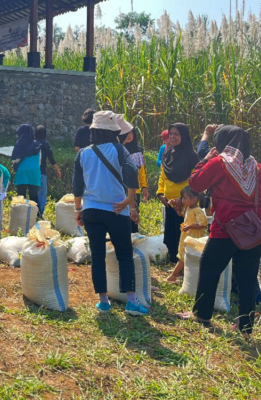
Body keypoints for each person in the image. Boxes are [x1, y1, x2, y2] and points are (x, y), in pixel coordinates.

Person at [178, 125, 261, 336]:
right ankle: (245, 327)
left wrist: (204, 160)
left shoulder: (220, 163)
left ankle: (202, 314)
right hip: (257, 229)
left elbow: (196, 182)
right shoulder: (258, 167)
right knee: (247, 276)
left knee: (210, 267)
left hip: (228, 227)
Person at [72, 111, 147, 316]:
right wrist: (129, 199)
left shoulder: (83, 153)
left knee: (97, 256)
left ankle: (103, 302)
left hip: (92, 211)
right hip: (116, 210)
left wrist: (78, 209)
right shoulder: (119, 149)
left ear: (94, 131)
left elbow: (77, 185)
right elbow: (131, 172)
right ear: (113, 131)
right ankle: (131, 301)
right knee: (124, 255)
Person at [157, 123, 199, 263]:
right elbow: (162, 176)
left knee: (183, 233)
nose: (173, 137)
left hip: (184, 203)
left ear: (184, 136)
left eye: (177, 134)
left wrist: (182, 199)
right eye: (171, 134)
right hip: (169, 202)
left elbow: (194, 180)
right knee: (171, 232)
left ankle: (184, 262)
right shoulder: (168, 153)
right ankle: (173, 259)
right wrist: (161, 194)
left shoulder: (191, 156)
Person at [166, 186, 208, 283]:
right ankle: (182, 275)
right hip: (186, 236)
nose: (182, 200)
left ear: (194, 199)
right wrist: (176, 209)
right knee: (184, 255)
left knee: (184, 257)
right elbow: (182, 215)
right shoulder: (188, 208)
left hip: (194, 238)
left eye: (184, 198)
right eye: (182, 198)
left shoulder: (198, 211)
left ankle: (173, 275)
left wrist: (189, 227)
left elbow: (202, 225)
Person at [117, 116, 148, 233]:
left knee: (133, 215)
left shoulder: (138, 151)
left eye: (131, 133)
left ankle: (134, 237)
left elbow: (141, 171)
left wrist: (144, 186)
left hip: (135, 190)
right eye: (126, 133)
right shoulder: (117, 149)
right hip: (120, 189)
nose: (129, 136)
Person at [35, 125, 62, 217]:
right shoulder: (45, 144)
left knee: (33, 194)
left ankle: (32, 214)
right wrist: (57, 170)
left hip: (31, 173)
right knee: (42, 194)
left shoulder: (33, 143)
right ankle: (39, 214)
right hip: (41, 172)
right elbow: (51, 158)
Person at [12, 124, 42, 203]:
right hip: (35, 172)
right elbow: (40, 161)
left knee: (21, 197)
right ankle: (36, 214)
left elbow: (15, 160)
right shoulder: (37, 145)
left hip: (22, 172)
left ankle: (22, 214)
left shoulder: (18, 144)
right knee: (34, 197)